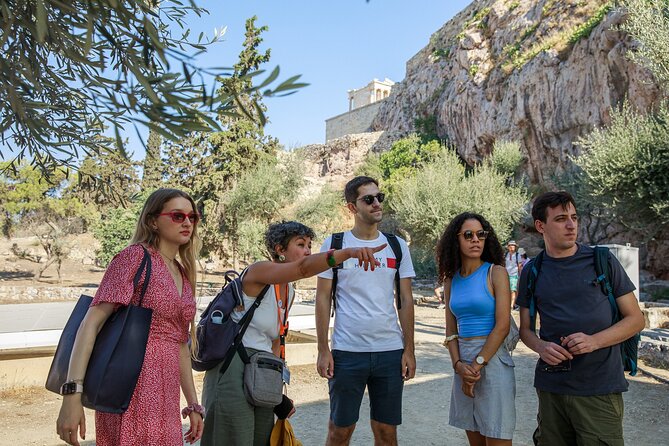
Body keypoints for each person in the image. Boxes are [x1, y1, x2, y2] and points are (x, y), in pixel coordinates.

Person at [201, 221, 385, 446]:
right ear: (280, 250)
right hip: (232, 369)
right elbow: (304, 268)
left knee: (262, 439)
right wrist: (347, 253)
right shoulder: (259, 271)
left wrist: (276, 393)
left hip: (261, 371)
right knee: (232, 438)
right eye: (300, 244)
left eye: (309, 245)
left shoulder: (288, 289)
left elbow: (276, 341)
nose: (307, 251)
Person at [56, 188, 205, 446]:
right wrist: (72, 395)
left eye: (193, 217)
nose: (187, 223)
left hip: (166, 398)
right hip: (130, 390)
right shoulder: (135, 257)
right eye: (178, 216)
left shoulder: (182, 273)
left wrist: (193, 404)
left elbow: (180, 344)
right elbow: (90, 323)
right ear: (152, 221)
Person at [517, 191, 645, 446]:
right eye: (561, 218)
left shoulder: (602, 261)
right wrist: (541, 347)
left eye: (574, 217)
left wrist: (594, 341)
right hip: (551, 388)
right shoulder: (532, 270)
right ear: (540, 226)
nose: (571, 225)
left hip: (598, 388)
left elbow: (636, 319)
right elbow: (526, 330)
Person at [315, 176, 416, 446]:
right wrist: (323, 349)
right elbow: (322, 298)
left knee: (386, 433)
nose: (376, 203)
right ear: (352, 208)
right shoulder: (335, 244)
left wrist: (409, 350)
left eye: (379, 197)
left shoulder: (397, 246)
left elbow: (405, 300)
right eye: (368, 199)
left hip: (390, 351)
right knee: (340, 432)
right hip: (347, 352)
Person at [436, 212, 516, 445]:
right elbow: (450, 330)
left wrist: (476, 365)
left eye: (481, 234)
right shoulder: (451, 280)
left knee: (498, 437)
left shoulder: (496, 272)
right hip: (463, 364)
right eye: (468, 235)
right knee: (475, 440)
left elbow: (502, 326)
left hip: (492, 360)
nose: (475, 240)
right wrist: (459, 366)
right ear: (456, 240)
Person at [505, 240, 522, 309]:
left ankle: (511, 306)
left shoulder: (518, 255)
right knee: (506, 290)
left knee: (513, 290)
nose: (512, 247)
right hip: (506, 275)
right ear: (508, 247)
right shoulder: (506, 254)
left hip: (514, 275)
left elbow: (519, 266)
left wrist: (519, 276)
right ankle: (508, 304)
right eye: (510, 245)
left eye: (513, 245)